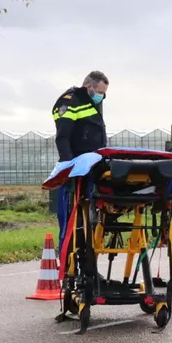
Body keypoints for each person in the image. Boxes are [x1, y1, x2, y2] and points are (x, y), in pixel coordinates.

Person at [52, 70, 109, 256]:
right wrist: (69, 168)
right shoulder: (70, 101)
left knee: (90, 222)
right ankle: (67, 263)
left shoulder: (92, 103)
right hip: (76, 167)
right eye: (100, 92)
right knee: (70, 220)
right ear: (89, 87)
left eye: (104, 93)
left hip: (92, 167)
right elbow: (62, 137)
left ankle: (88, 264)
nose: (102, 96)